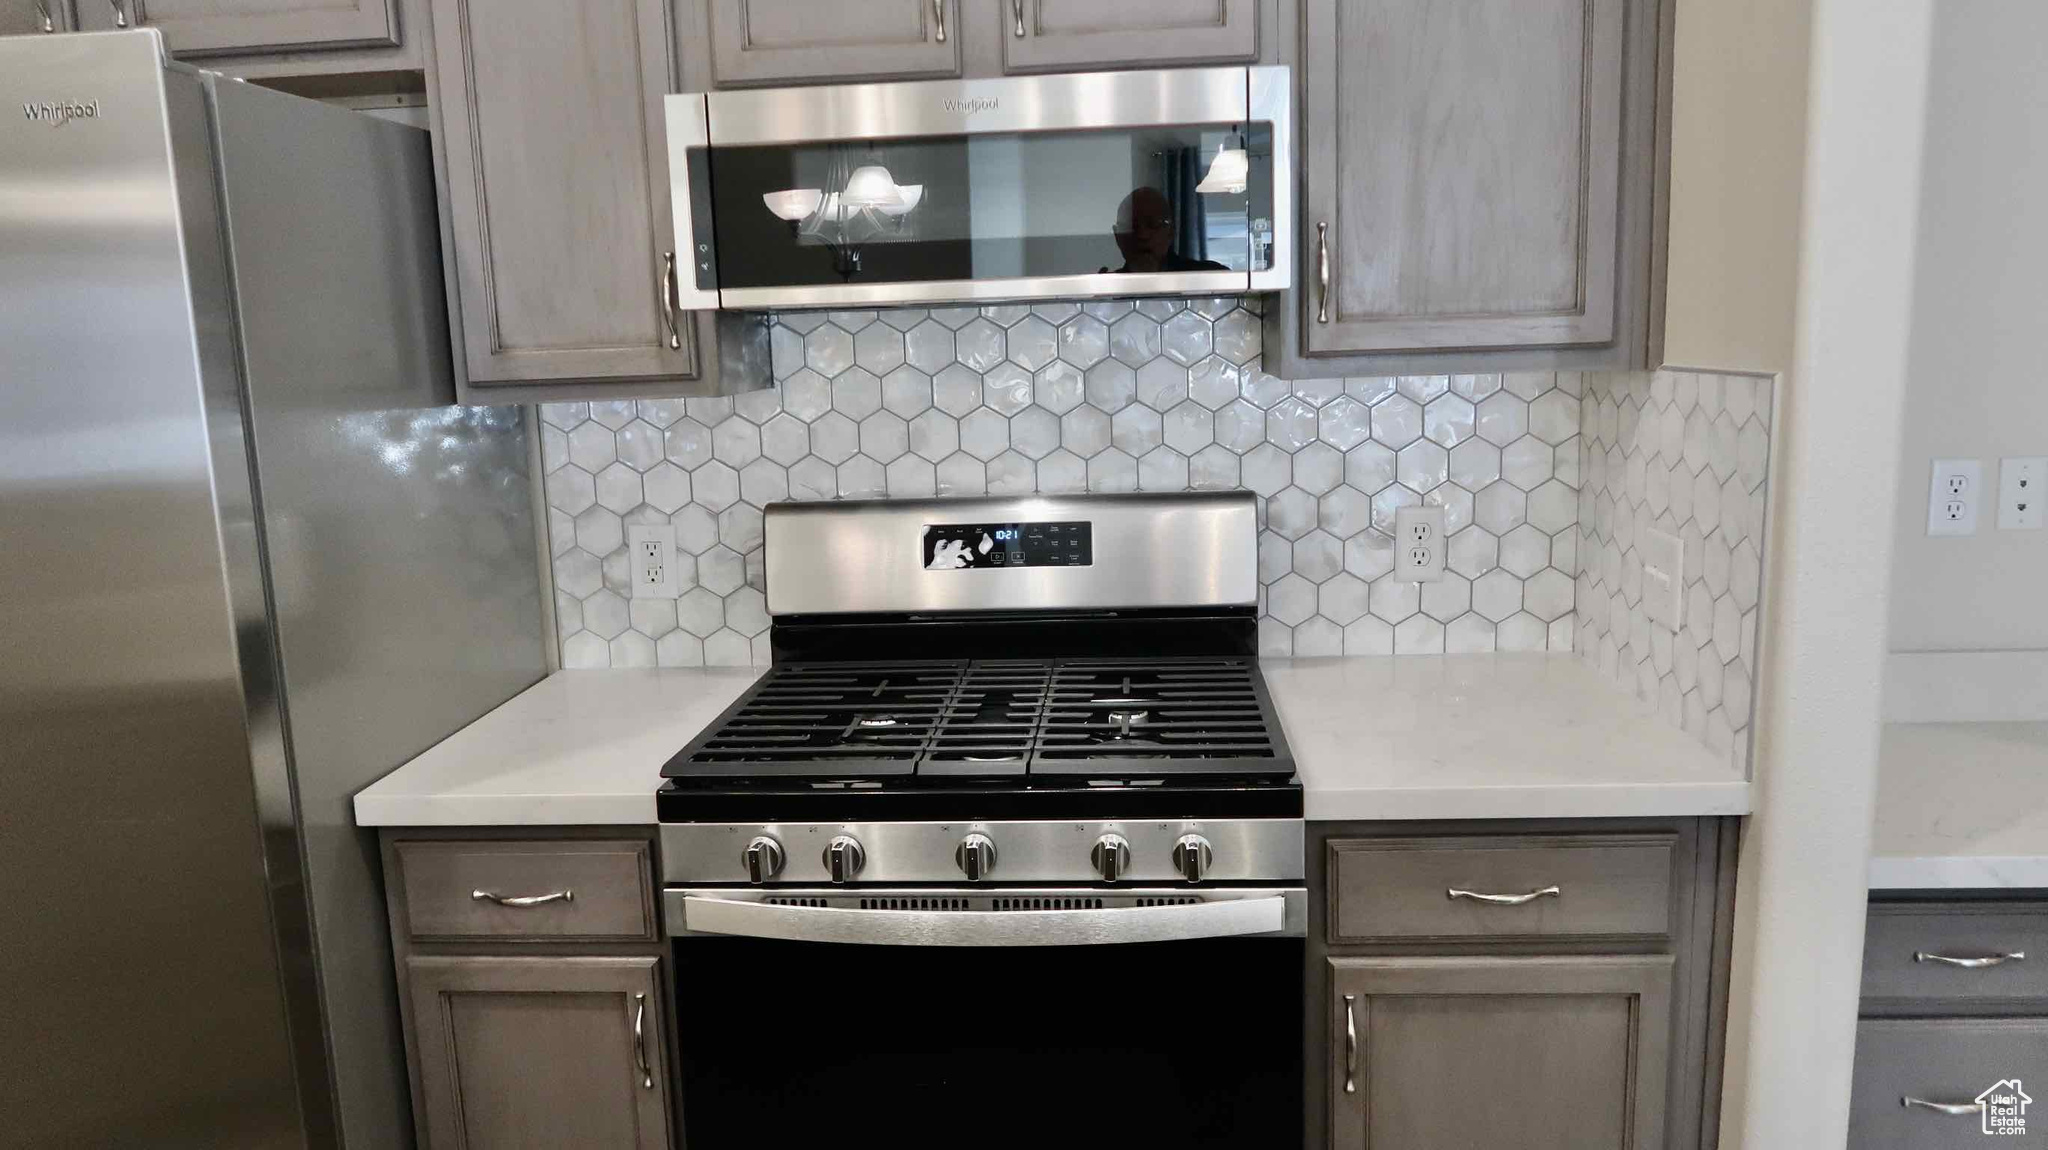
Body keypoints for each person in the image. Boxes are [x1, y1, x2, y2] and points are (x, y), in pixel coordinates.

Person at [1107, 186, 1227, 274]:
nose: (1142, 235)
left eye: (1153, 224)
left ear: (1171, 231)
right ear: (1117, 236)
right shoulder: (1104, 291)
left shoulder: (1210, 278)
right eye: (1131, 226)